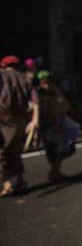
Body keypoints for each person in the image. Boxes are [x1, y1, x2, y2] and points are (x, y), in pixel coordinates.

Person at [1, 56, 39, 196]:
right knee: (15, 148)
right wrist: (35, 119)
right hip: (21, 118)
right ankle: (20, 179)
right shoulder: (25, 78)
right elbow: (35, 99)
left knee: (3, 150)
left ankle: (7, 183)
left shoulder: (2, 74)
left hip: (3, 117)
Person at [37, 71, 78, 183]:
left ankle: (55, 171)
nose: (47, 86)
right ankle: (54, 172)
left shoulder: (56, 92)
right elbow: (43, 116)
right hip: (51, 127)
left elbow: (65, 106)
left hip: (62, 123)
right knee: (55, 150)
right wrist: (54, 126)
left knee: (65, 149)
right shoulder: (41, 97)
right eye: (44, 83)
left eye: (49, 83)